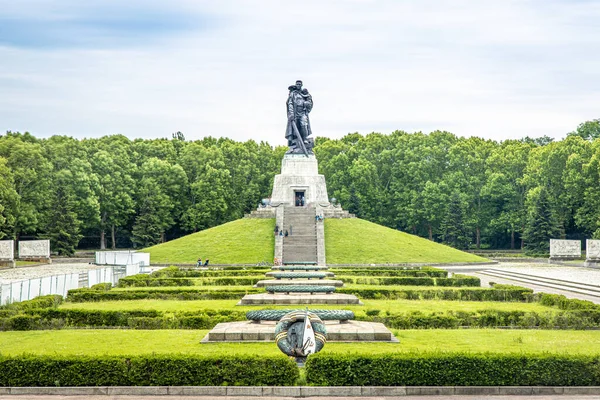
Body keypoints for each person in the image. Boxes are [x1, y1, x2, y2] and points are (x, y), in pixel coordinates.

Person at [285, 80, 313, 154]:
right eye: (297, 84)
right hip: (295, 113)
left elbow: (310, 102)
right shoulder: (293, 94)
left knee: (304, 125)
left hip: (302, 112)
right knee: (295, 129)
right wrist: (291, 113)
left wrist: (306, 104)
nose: (298, 85)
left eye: (299, 84)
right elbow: (290, 103)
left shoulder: (304, 94)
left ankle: (304, 139)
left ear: (301, 85)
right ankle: (295, 144)